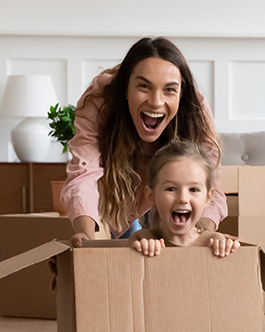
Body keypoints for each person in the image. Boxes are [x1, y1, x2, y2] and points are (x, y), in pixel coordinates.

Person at [61, 37, 226, 246]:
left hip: (167, 198)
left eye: (169, 90)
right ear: (125, 89)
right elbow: (85, 173)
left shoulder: (195, 110)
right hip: (112, 193)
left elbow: (210, 183)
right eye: (144, 87)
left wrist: (201, 237)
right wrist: (86, 237)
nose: (156, 102)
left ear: (181, 94)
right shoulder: (99, 101)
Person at [129, 141, 240, 257]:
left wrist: (228, 249)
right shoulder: (141, 239)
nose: (182, 198)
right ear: (152, 196)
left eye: (193, 189)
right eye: (171, 189)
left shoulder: (214, 242)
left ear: (208, 198)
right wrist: (142, 250)